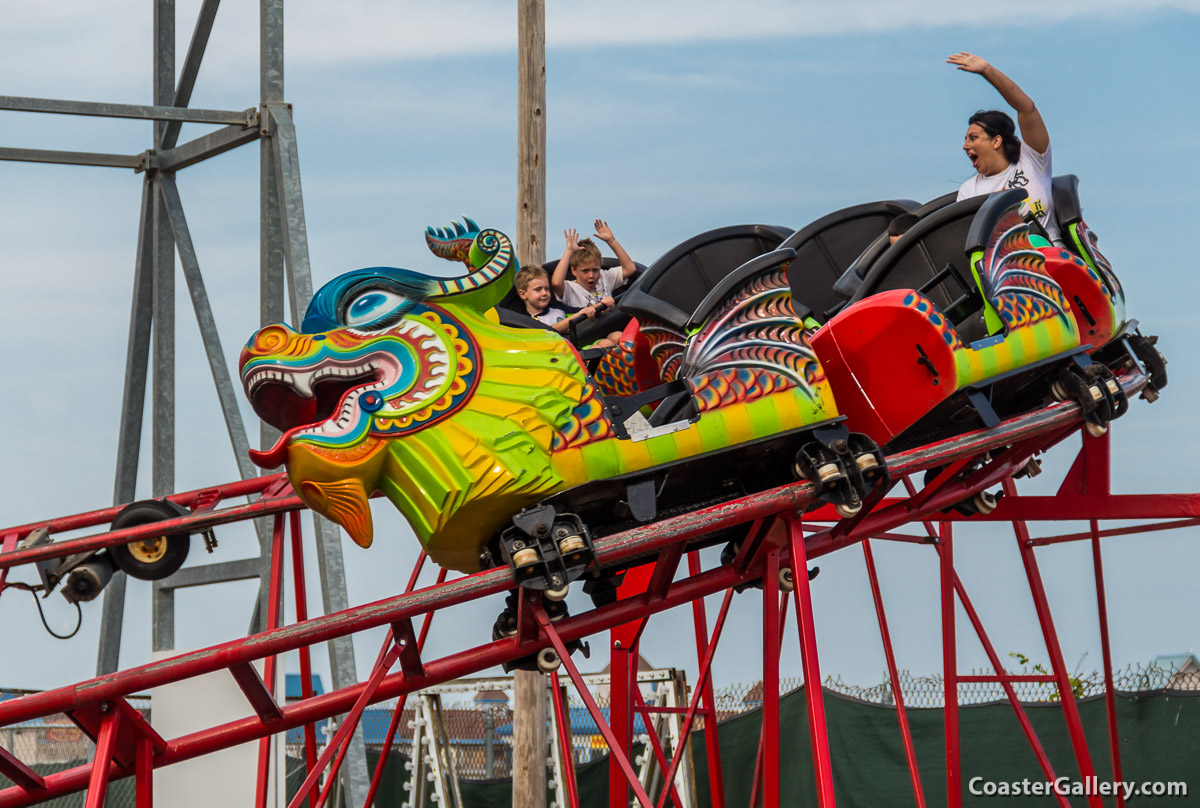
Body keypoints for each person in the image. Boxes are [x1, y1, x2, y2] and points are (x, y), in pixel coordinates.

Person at [948, 52, 1061, 244]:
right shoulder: (969, 190)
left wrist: (988, 71)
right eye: (966, 139)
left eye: (973, 138)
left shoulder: (1032, 161)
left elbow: (1027, 108)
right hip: (1007, 267)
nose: (965, 146)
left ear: (996, 141)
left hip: (1050, 255)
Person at [551, 219, 638, 309]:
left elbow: (630, 268)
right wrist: (569, 251)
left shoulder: (604, 278)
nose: (591, 275)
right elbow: (556, 283)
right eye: (585, 271)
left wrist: (611, 241)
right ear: (574, 271)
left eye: (595, 270)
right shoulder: (570, 289)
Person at [514, 266, 600, 336]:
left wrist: (601, 305)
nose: (544, 293)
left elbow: (583, 311)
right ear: (523, 294)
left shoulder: (556, 308)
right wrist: (577, 315)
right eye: (538, 289)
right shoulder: (525, 322)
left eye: (547, 288)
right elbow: (549, 332)